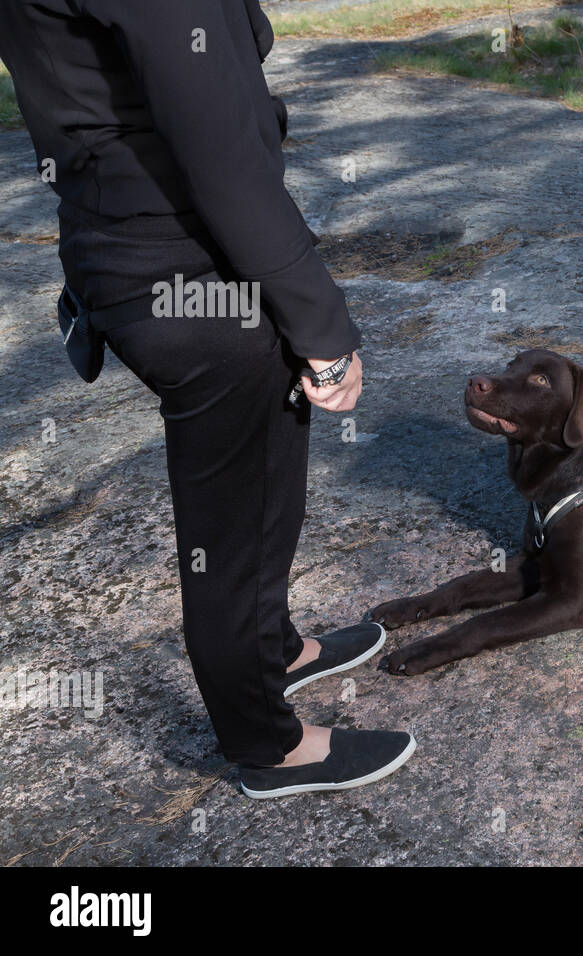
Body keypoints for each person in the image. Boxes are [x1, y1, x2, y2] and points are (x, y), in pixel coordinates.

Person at [0, 0, 416, 798]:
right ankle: (268, 745)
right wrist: (322, 329)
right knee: (233, 529)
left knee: (257, 494)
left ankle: (276, 650)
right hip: (193, 281)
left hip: (112, 251)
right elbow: (223, 156)